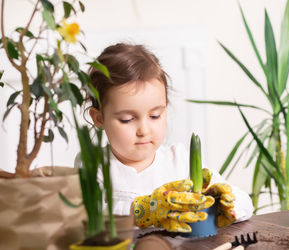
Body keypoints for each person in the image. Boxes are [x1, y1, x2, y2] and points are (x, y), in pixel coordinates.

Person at [76, 42, 253, 233]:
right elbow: (85, 220)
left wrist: (223, 204)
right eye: (127, 119)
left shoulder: (180, 160)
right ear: (99, 118)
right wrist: (145, 209)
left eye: (155, 116)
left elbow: (246, 202)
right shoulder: (93, 165)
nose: (143, 129)